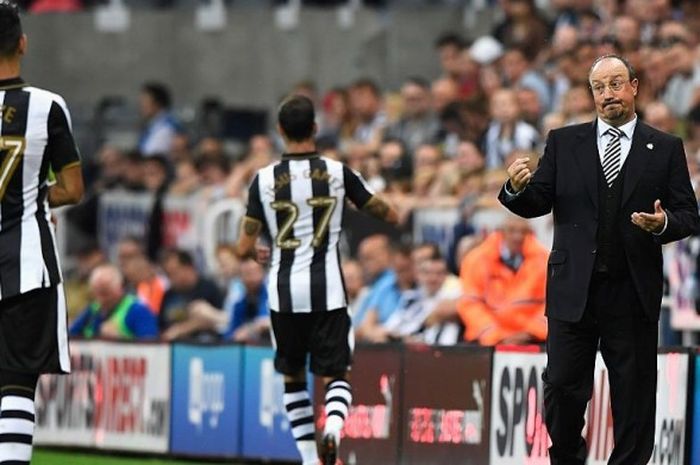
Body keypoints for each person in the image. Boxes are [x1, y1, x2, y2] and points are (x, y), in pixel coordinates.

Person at [499, 54, 700, 465]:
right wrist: (516, 188)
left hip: (632, 292)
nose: (608, 94)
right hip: (573, 290)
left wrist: (663, 223)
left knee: (634, 394)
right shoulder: (563, 141)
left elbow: (688, 215)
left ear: (634, 87)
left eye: (615, 84)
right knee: (561, 389)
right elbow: (538, 201)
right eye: (599, 87)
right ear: (591, 94)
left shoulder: (664, 148)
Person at [234, 95, 397, 465]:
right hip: (329, 291)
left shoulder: (263, 180)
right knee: (337, 373)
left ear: (279, 131)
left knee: (293, 376)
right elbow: (384, 211)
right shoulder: (338, 174)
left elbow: (243, 244)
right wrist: (389, 208)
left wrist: (257, 250)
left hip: (283, 292)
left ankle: (309, 458)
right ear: (315, 129)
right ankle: (334, 428)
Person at [0, 3, 84, 463]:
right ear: (23, 44)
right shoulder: (47, 107)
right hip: (27, 265)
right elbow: (73, 187)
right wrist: (35, 198)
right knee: (16, 380)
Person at [457, 213, 548, 346]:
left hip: (534, 340)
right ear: (501, 232)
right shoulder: (476, 260)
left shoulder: (544, 260)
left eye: (523, 231)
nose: (518, 236)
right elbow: (470, 304)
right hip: (488, 341)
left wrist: (531, 333)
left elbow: (554, 303)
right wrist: (497, 336)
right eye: (512, 230)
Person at [69, 265, 159, 340]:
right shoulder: (93, 309)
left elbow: (150, 345)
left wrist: (120, 339)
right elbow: (70, 334)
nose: (102, 300)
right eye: (97, 293)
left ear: (119, 288)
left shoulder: (138, 310)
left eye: (106, 293)